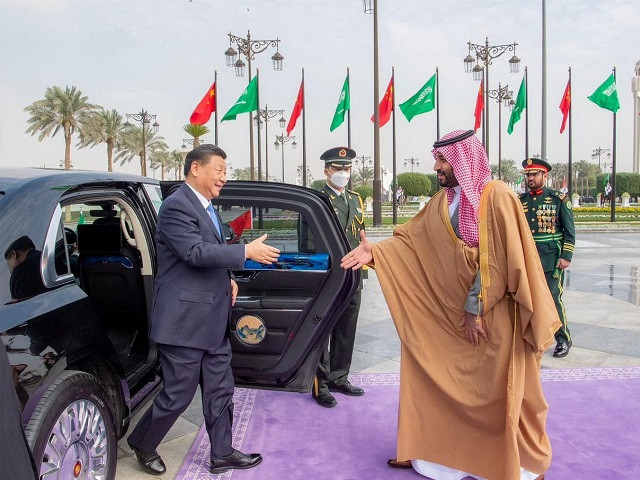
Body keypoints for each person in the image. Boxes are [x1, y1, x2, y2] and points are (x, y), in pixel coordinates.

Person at [341, 130, 560, 480]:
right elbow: (413, 242)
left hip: (494, 317)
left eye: (443, 160)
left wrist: (475, 309)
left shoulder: (496, 196)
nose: (437, 166)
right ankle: (447, 456)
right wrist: (376, 252)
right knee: (438, 373)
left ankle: (505, 462)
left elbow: (500, 259)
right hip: (454, 316)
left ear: (462, 160)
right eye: (437, 159)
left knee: (495, 390)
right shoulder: (442, 202)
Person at [126, 144, 280, 476]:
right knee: (178, 396)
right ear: (196, 168)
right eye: (219, 170)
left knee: (221, 390)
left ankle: (222, 453)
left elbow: (211, 252)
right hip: (183, 322)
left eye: (226, 171)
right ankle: (143, 441)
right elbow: (194, 252)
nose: (224, 177)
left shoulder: (207, 207)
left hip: (212, 319)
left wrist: (228, 279)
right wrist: (245, 252)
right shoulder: (176, 206)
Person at [309, 147, 366, 408]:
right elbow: (308, 241)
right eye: (337, 168)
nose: (342, 173)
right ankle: (320, 384)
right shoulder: (316, 199)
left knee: (347, 329)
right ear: (326, 171)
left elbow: (361, 237)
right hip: (329, 275)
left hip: (353, 275)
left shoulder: (355, 199)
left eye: (346, 168)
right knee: (323, 329)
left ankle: (339, 377)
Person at [520, 158, 576, 358]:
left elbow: (569, 230)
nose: (531, 178)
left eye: (534, 174)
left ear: (545, 176)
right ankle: (535, 337)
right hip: (528, 259)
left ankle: (563, 339)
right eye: (528, 175)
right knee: (528, 300)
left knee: (553, 299)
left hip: (551, 258)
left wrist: (566, 255)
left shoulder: (558, 199)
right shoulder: (522, 201)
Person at [4, 236, 47, 301]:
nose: (12, 272)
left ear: (14, 254)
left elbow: (20, 305)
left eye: (8, 262)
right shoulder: (50, 258)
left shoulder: (21, 272)